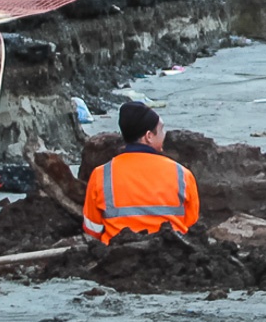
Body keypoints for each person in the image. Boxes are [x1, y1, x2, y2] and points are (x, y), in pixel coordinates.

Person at [81, 102, 201, 244]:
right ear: (148, 136)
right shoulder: (182, 174)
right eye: (161, 130)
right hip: (171, 253)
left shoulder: (101, 175)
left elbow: (92, 230)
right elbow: (191, 226)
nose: (164, 135)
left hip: (117, 256)